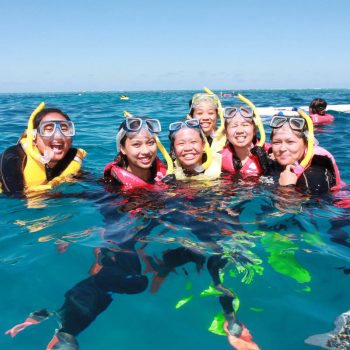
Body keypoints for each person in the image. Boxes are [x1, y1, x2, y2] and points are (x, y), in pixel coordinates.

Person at [0, 103, 86, 194]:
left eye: (64, 129)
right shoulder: (12, 157)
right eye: (49, 129)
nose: (58, 136)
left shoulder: (71, 158)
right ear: (33, 137)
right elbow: (14, 197)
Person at [267, 113, 343, 194]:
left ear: (306, 144)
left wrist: (287, 188)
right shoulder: (275, 160)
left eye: (290, 142)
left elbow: (317, 205)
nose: (282, 149)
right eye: (277, 142)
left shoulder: (316, 175)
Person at [103, 115, 167, 190]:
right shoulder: (112, 188)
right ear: (123, 149)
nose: (145, 151)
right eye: (136, 144)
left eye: (150, 142)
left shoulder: (167, 174)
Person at [221, 105, 269, 177]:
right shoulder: (218, 159)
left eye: (245, 125)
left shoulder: (271, 154)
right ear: (226, 133)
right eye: (234, 126)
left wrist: (268, 167)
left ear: (255, 130)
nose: (240, 131)